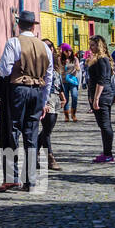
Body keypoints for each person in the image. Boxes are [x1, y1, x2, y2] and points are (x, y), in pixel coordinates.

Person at [0, 11, 52, 193]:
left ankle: (11, 178)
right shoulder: (45, 47)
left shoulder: (14, 42)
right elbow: (49, 77)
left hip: (17, 90)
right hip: (37, 91)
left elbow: (4, 69)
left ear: (19, 25)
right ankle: (30, 180)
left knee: (12, 131)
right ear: (33, 26)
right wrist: (44, 100)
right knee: (31, 134)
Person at [37, 41, 65, 172]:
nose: (48, 48)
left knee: (48, 129)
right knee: (47, 129)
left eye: (50, 46)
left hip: (55, 97)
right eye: (45, 46)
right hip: (45, 96)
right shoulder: (38, 61)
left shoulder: (56, 62)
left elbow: (58, 80)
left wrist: (62, 95)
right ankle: (50, 158)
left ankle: (34, 153)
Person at [87, 36, 115, 164]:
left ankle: (108, 154)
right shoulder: (97, 60)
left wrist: (96, 99)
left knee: (105, 125)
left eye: (93, 45)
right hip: (101, 95)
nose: (90, 47)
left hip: (103, 96)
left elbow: (102, 80)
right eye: (90, 45)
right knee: (103, 125)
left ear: (99, 45)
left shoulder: (102, 60)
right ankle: (106, 152)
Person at [60, 45, 80, 122]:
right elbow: (59, 69)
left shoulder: (74, 59)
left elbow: (78, 68)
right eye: (67, 51)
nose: (69, 52)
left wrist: (77, 67)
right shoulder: (60, 59)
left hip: (72, 81)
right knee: (66, 99)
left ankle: (73, 114)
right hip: (64, 82)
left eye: (70, 50)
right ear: (63, 51)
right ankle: (66, 115)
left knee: (74, 96)